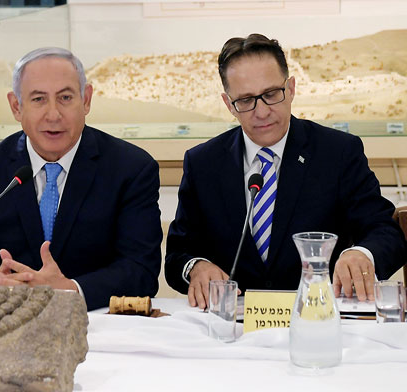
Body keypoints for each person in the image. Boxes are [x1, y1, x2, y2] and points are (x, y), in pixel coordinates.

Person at [165, 34, 407, 308]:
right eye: (245, 100)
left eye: (271, 94)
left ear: (290, 88)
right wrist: (196, 267)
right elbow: (177, 254)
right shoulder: (203, 163)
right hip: (235, 326)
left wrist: (362, 254)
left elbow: (384, 231)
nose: (262, 112)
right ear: (228, 104)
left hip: (320, 318)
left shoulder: (337, 152)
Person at [0, 47, 162, 311]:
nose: (53, 114)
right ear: (16, 106)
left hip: (97, 323)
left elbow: (141, 269)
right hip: (5, 322)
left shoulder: (131, 168)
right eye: (39, 99)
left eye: (65, 97)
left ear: (86, 100)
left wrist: (70, 290)